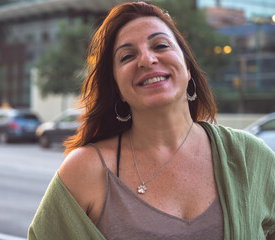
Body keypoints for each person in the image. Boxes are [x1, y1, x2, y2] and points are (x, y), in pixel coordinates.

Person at [28, 2, 275, 240]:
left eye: (160, 45)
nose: (147, 59)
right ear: (117, 88)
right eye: (127, 56)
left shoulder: (251, 157)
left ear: (188, 68)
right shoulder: (85, 171)